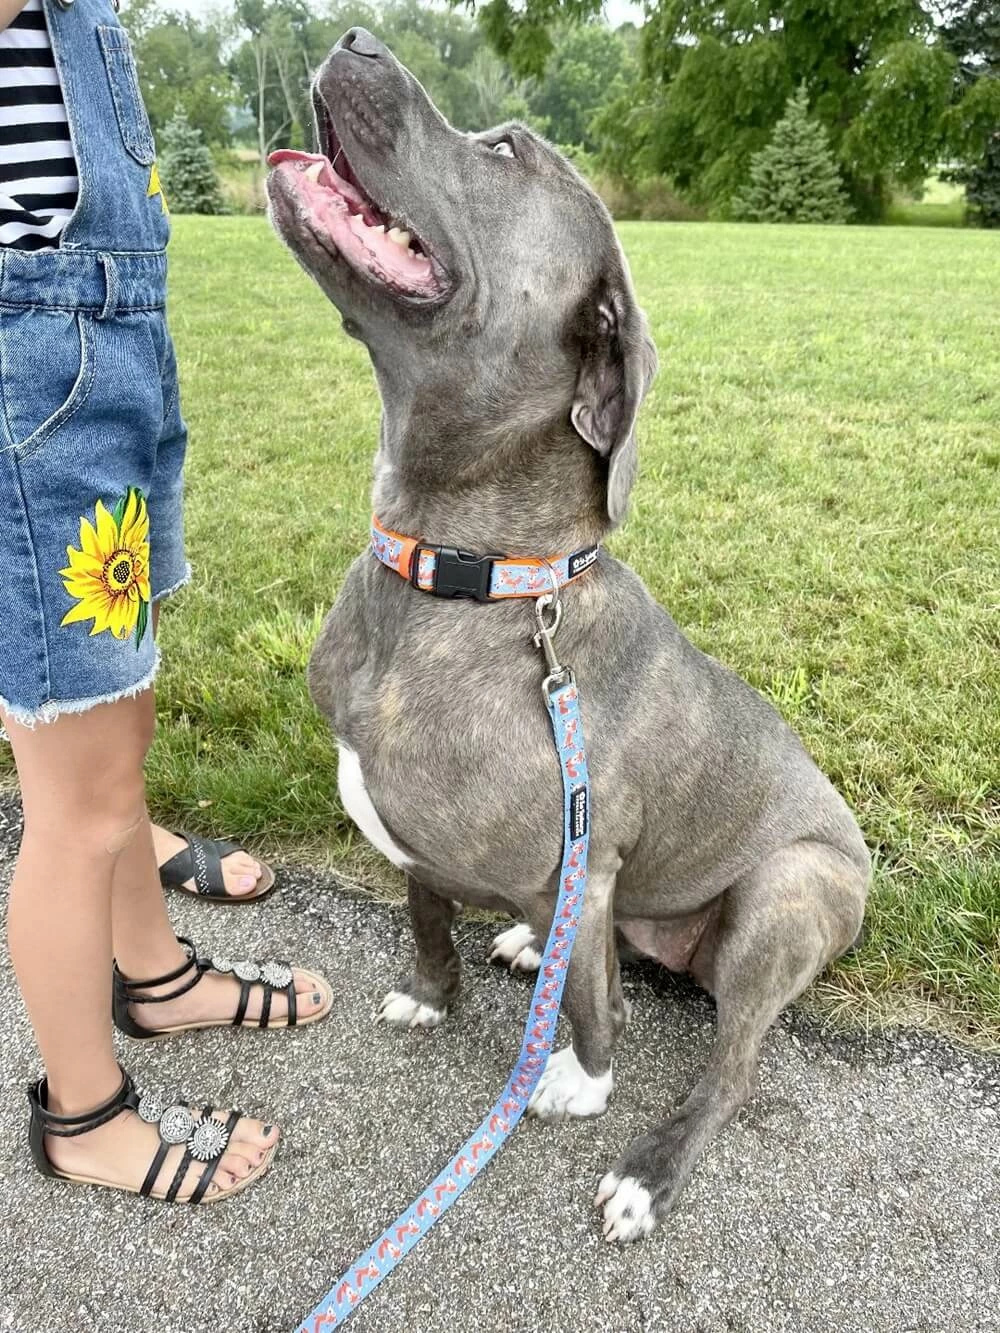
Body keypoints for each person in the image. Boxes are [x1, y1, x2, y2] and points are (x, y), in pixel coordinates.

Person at [0, 0, 332, 1203]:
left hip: (104, 352)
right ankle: (83, 1115)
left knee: (114, 744)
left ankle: (157, 976)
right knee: (78, 802)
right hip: (36, 373)